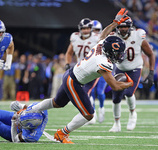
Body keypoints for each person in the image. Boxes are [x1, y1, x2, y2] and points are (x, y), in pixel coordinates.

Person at [31, 8, 133, 144]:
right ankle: (62, 134)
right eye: (118, 53)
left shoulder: (102, 44)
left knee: (57, 103)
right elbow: (114, 86)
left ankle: (30, 110)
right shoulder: (103, 62)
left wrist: (115, 22)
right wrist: (129, 83)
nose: (120, 56)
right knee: (88, 114)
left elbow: (103, 34)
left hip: (71, 75)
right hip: (74, 81)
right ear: (110, 52)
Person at [109, 16, 155, 132]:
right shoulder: (114, 37)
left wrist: (151, 73)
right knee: (115, 98)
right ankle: (116, 123)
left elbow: (150, 54)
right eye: (120, 27)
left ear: (130, 27)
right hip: (120, 69)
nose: (123, 29)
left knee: (129, 93)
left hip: (135, 68)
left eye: (125, 26)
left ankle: (132, 114)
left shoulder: (138, 36)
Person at [65, 17, 100, 125]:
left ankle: (90, 114)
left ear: (91, 28)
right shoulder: (75, 37)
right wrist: (67, 63)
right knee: (83, 93)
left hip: (93, 69)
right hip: (80, 69)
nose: (85, 31)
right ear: (80, 29)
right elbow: (69, 52)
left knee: (86, 92)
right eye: (83, 28)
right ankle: (90, 113)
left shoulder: (96, 38)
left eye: (87, 28)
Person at [90, 20, 107, 123]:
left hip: (102, 68)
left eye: (97, 30)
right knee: (91, 92)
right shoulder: (85, 40)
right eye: (93, 30)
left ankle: (101, 108)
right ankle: (93, 112)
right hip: (91, 68)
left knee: (100, 92)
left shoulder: (103, 39)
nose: (95, 32)